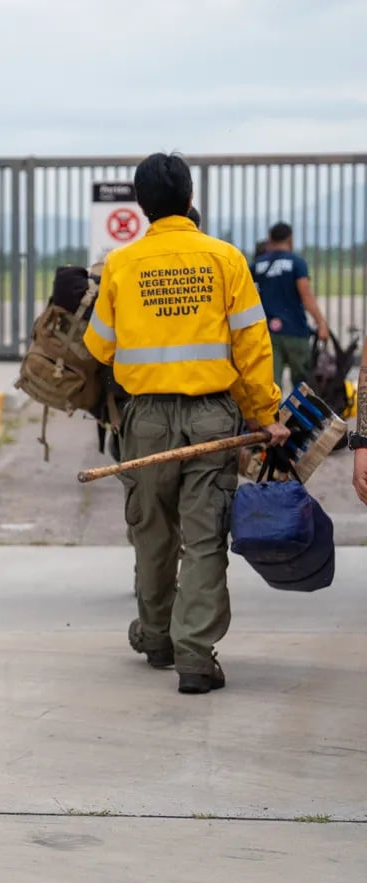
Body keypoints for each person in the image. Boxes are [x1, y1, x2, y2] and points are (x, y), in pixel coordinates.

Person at [83, 153, 289, 695]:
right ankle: (195, 656)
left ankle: (156, 638)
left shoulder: (122, 265)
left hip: (146, 419)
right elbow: (251, 346)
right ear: (190, 199)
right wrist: (266, 416)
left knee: (152, 532)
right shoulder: (224, 259)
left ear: (143, 205)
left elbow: (97, 345)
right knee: (203, 537)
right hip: (211, 418)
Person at [251, 222, 330, 391]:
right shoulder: (296, 263)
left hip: (268, 334)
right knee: (302, 386)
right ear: (290, 239)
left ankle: (274, 417)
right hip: (296, 332)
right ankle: (300, 417)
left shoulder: (257, 265)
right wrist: (321, 323)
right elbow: (306, 296)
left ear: (270, 239)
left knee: (271, 387)